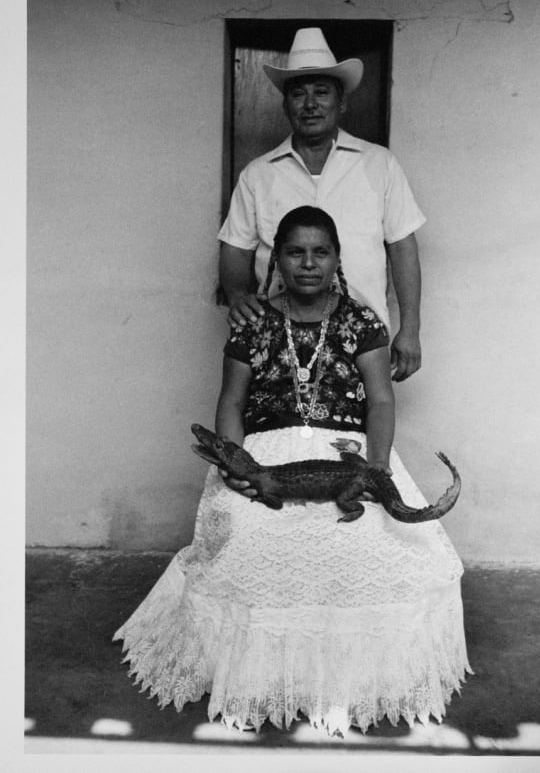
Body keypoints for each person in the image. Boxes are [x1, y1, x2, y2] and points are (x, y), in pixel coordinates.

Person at [114, 206, 471, 736]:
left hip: (349, 454)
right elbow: (231, 404)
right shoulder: (252, 324)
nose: (308, 264)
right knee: (251, 537)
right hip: (264, 452)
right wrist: (236, 465)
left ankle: (348, 683)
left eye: (320, 252)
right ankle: (263, 682)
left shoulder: (362, 322)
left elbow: (380, 401)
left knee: (376, 544)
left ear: (336, 259)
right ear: (277, 260)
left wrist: (375, 467)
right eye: (295, 252)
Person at [219, 26, 426, 384]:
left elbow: (402, 247)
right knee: (277, 432)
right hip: (278, 343)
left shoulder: (379, 164)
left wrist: (410, 329)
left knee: (357, 438)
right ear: (286, 105)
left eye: (322, 92)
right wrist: (238, 296)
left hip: (362, 342)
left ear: (342, 102)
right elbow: (235, 250)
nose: (310, 104)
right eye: (298, 94)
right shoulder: (258, 175)